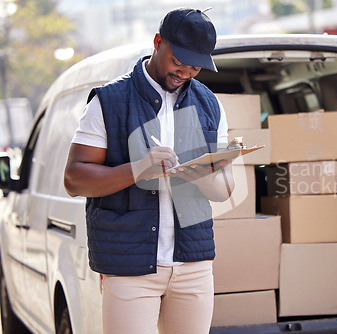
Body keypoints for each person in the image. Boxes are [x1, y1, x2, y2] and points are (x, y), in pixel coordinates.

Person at [64, 7, 234, 334]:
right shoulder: (109, 101)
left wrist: (201, 172)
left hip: (194, 265)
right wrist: (139, 169)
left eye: (195, 66)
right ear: (157, 42)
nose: (184, 72)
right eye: (177, 61)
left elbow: (225, 189)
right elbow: (74, 179)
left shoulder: (210, 103)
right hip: (130, 268)